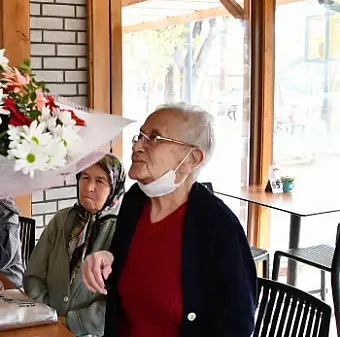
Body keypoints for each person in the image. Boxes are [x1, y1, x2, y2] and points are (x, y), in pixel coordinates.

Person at [81, 103, 256, 337]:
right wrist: (108, 257)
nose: (137, 146)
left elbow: (238, 325)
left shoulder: (220, 227)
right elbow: (128, 269)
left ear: (192, 158)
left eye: (154, 138)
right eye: (139, 136)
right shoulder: (135, 200)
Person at [24, 154, 126, 337]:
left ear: (114, 188)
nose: (89, 187)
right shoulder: (61, 220)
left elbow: (121, 303)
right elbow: (34, 275)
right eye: (85, 177)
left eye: (100, 181)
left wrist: (72, 322)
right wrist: (48, 315)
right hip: (47, 326)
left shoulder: (123, 231)